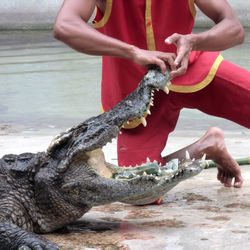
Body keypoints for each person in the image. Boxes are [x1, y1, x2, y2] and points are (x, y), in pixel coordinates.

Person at [54, 0, 250, 190]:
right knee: (139, 189)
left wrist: (194, 41)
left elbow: (234, 29)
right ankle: (207, 147)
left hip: (191, 69)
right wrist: (133, 52)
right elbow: (65, 25)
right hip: (135, 94)